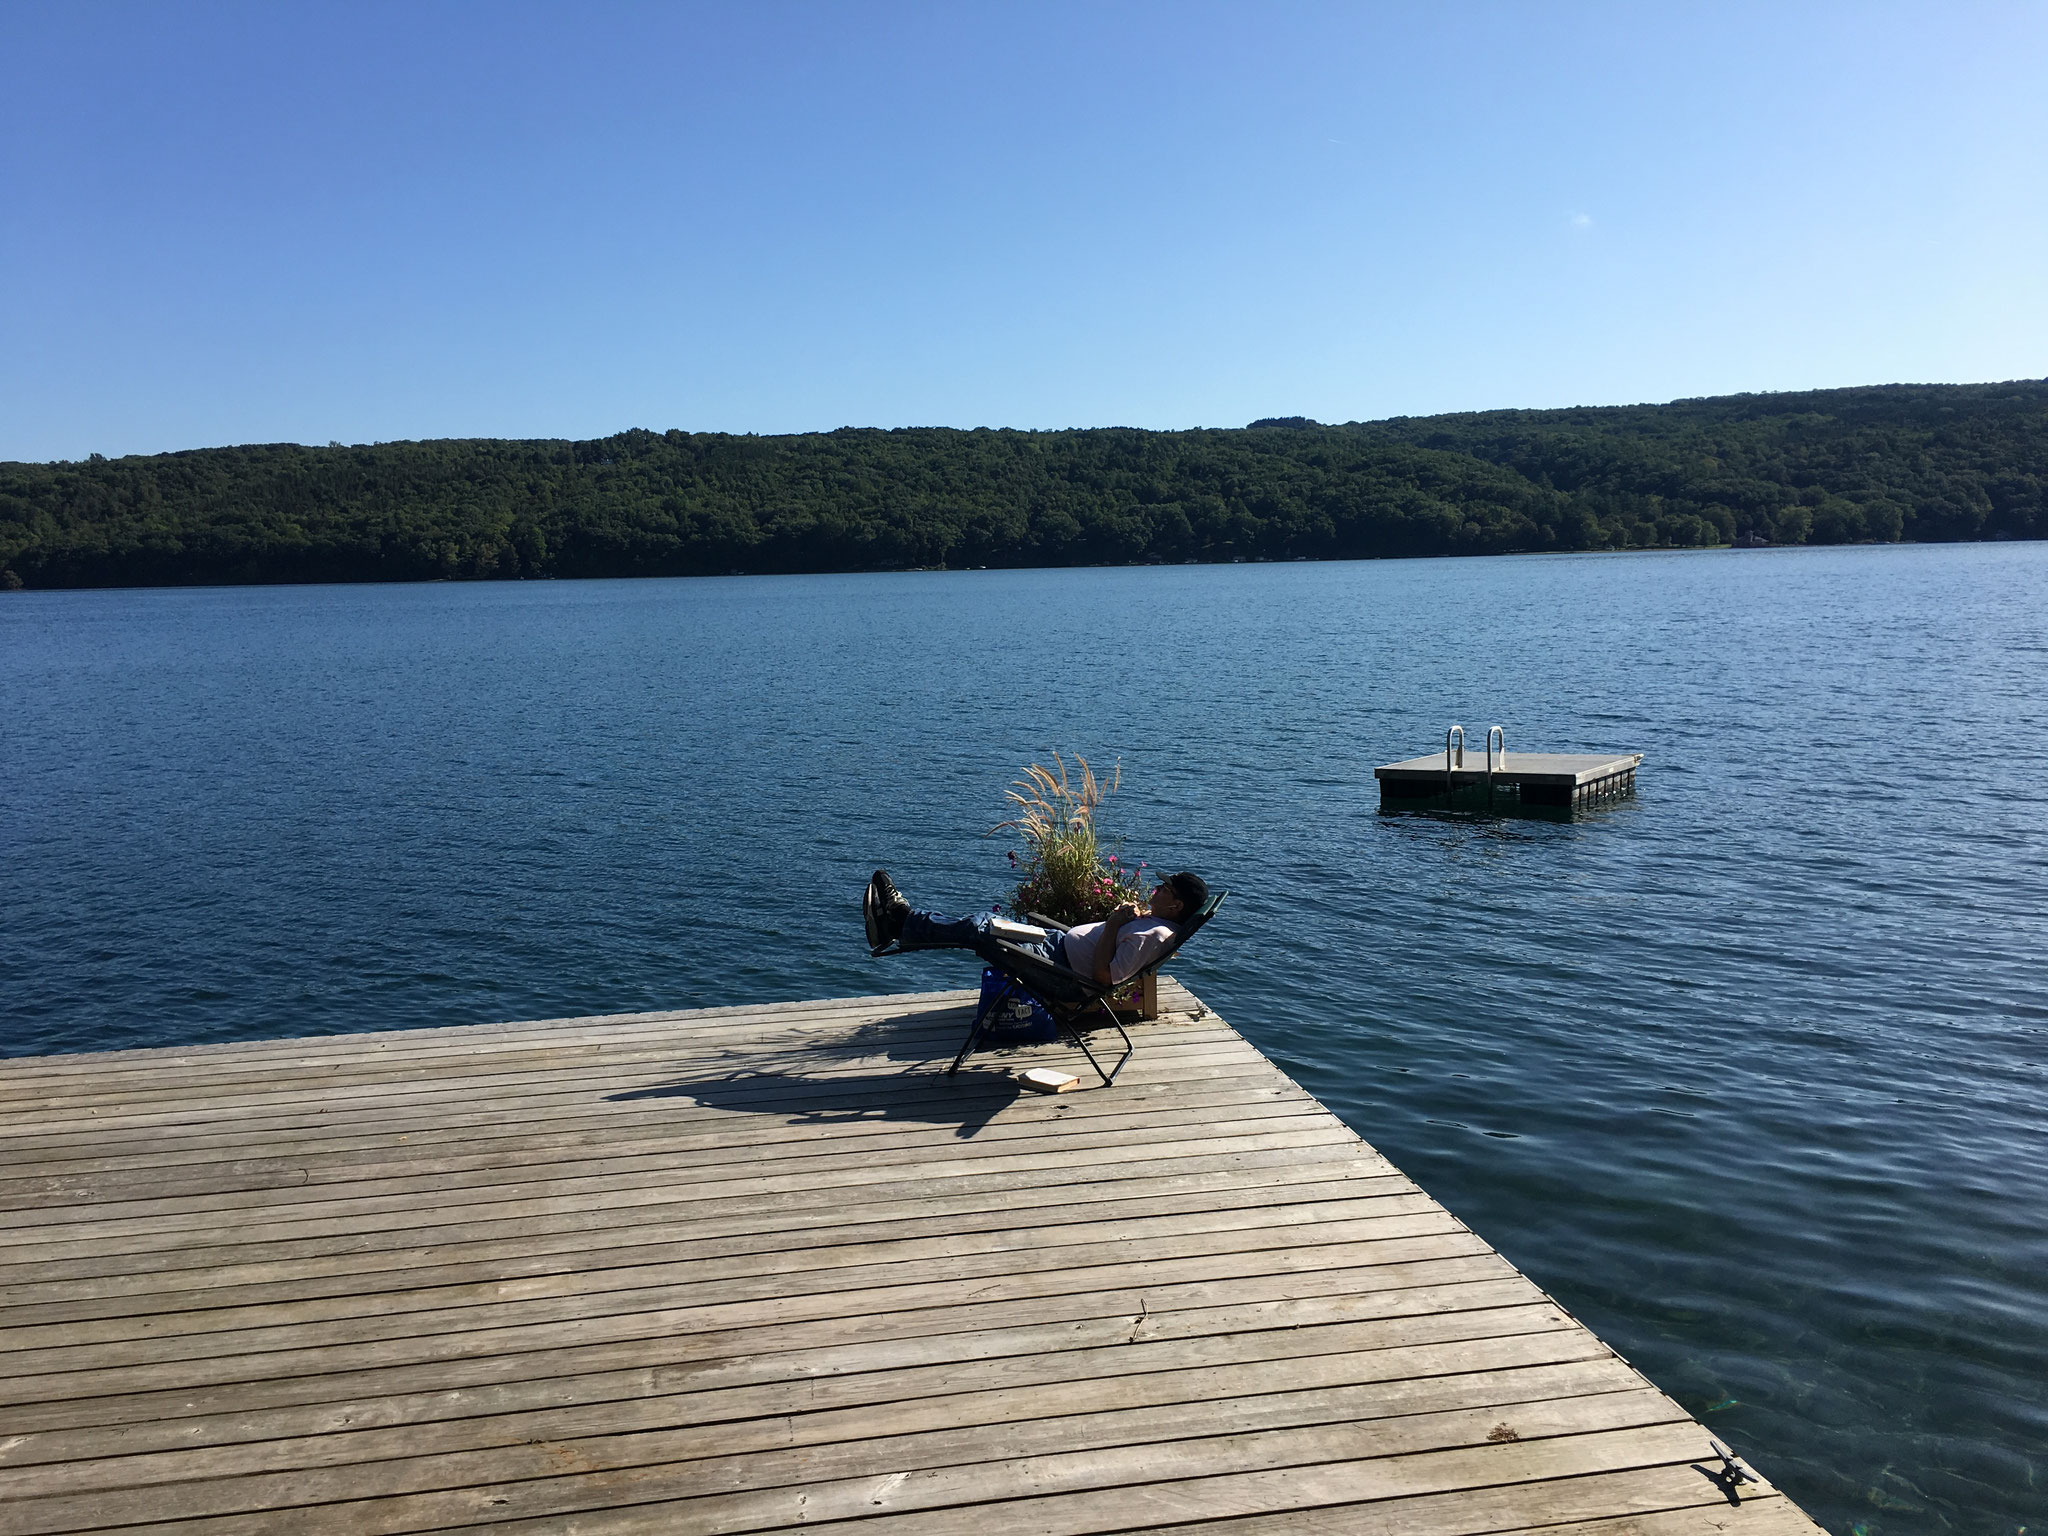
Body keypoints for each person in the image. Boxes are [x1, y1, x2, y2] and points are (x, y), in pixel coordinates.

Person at [864, 868, 1208, 985]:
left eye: (1165, 889)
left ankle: (899, 920)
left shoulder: (1156, 934)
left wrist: (1116, 921)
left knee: (979, 928)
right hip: (1056, 946)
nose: (1157, 888)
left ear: (1177, 905)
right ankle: (899, 924)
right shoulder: (1156, 921)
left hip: (1059, 968)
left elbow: (1106, 978)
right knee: (984, 923)